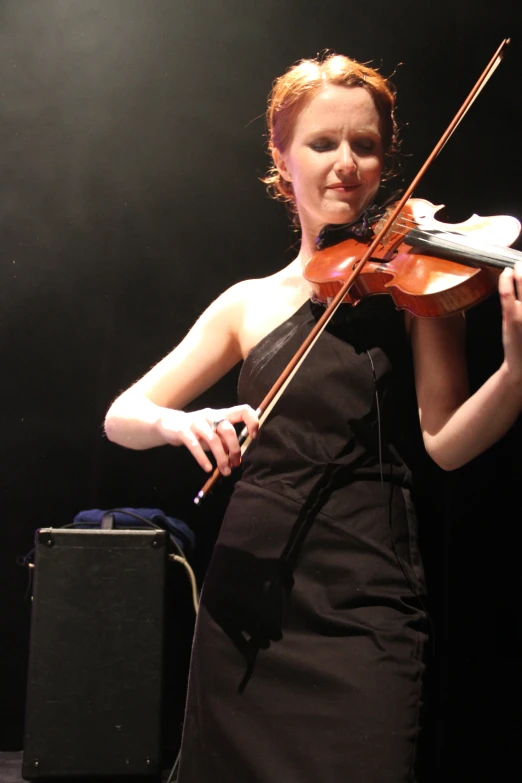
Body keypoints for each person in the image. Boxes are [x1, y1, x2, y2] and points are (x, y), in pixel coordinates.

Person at [104, 53, 522, 783]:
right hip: (249, 601)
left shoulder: (412, 281)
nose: (346, 163)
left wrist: (517, 374)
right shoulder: (248, 303)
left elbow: (447, 443)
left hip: (368, 598)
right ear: (281, 154)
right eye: (323, 143)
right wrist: (181, 425)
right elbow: (123, 414)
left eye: (364, 145)